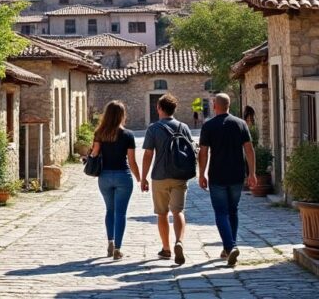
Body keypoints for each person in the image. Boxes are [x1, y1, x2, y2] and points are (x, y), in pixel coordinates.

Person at [198, 93, 256, 267]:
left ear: (215, 105)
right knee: (233, 210)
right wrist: (252, 173)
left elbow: (203, 152)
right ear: (228, 105)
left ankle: (230, 246)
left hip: (217, 175)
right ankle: (228, 248)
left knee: (221, 212)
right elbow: (249, 149)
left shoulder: (209, 125)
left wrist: (201, 173)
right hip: (237, 175)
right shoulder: (241, 124)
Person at [140, 93, 196, 265]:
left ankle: (166, 249)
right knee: (178, 211)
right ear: (174, 109)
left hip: (160, 176)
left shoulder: (153, 129)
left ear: (159, 108)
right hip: (180, 175)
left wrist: (143, 177)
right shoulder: (184, 127)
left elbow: (148, 154)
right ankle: (179, 241)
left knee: (162, 213)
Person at [88, 100, 140, 260]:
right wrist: (139, 178)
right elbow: (131, 161)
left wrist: (90, 155)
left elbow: (95, 153)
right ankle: (118, 248)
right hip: (123, 176)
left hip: (104, 177)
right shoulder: (128, 135)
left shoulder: (100, 133)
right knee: (121, 213)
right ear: (122, 116)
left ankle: (110, 242)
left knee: (110, 210)